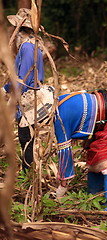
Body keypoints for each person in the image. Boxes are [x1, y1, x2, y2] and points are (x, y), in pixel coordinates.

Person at [54, 90, 107, 211]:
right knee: (94, 156)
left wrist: (62, 186)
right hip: (103, 115)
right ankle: (93, 197)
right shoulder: (60, 100)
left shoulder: (59, 119)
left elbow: (65, 154)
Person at [3, 8, 44, 171]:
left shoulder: (27, 47)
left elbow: (24, 78)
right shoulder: (34, 45)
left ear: (20, 30)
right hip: (30, 95)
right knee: (27, 136)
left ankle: (29, 172)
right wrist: (6, 88)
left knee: (25, 136)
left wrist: (12, 98)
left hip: (28, 98)